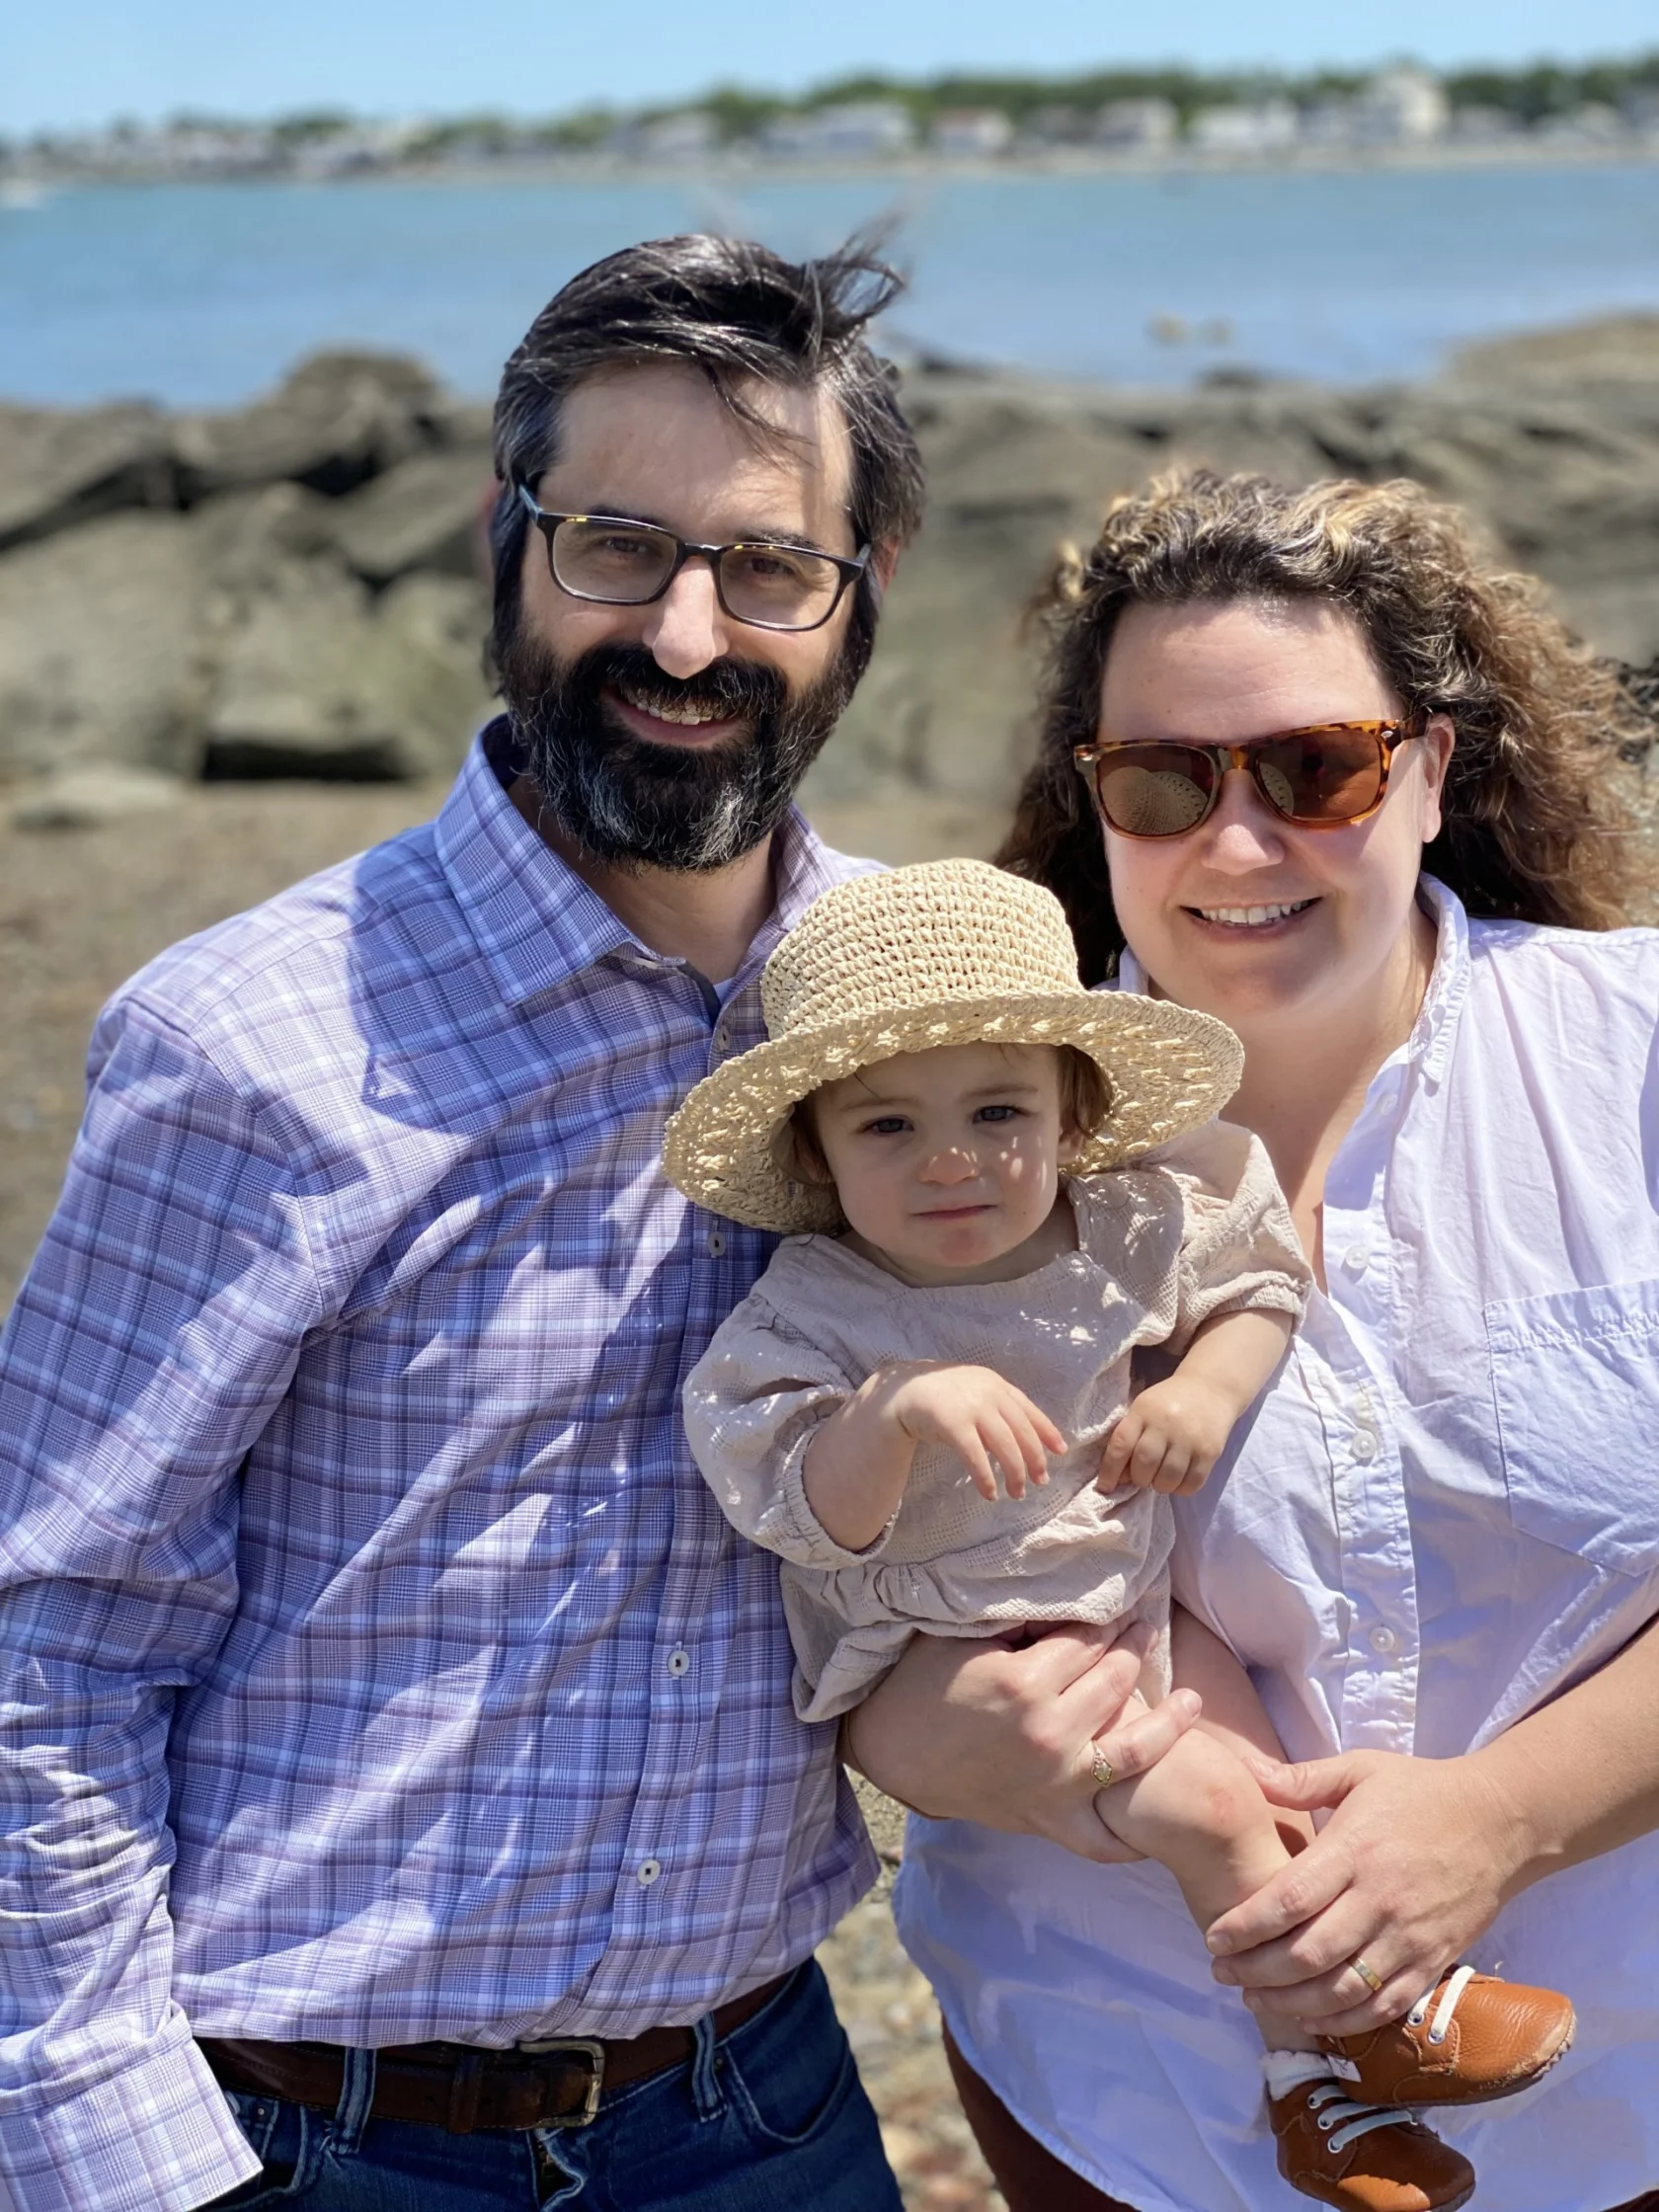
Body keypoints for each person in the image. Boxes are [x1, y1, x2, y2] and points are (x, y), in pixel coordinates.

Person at [0, 231, 1091, 2212]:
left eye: (765, 566)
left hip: (762, 2102)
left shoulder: (923, 1026)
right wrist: (122, 2159)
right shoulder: (249, 1042)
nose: (686, 634)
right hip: (311, 2138)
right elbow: (48, 1630)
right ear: (506, 543)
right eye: (615, 544)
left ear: (859, 605)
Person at [841, 467, 1659, 2212]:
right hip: (1125, 2091)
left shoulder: (1639, 1061)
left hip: (1635, 2093)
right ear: (1097, 801)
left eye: (1316, 771)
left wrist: (1500, 1818)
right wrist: (916, 1733)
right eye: (1162, 781)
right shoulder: (937, 1139)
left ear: (1435, 770)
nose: (1234, 844)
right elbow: (805, 1558)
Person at [665, 855, 1575, 2209]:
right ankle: (1392, 2015)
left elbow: (1260, 1277)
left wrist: (1206, 1388)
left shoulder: (1123, 1228)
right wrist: (896, 1409)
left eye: (997, 1110)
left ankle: (1314, 2096)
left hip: (1130, 1609)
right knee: (1213, 1806)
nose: (954, 1160)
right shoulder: (820, 1307)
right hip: (940, 1649)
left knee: (1269, 1791)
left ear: (1076, 1110)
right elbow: (795, 1502)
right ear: (816, 1150)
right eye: (887, 1130)